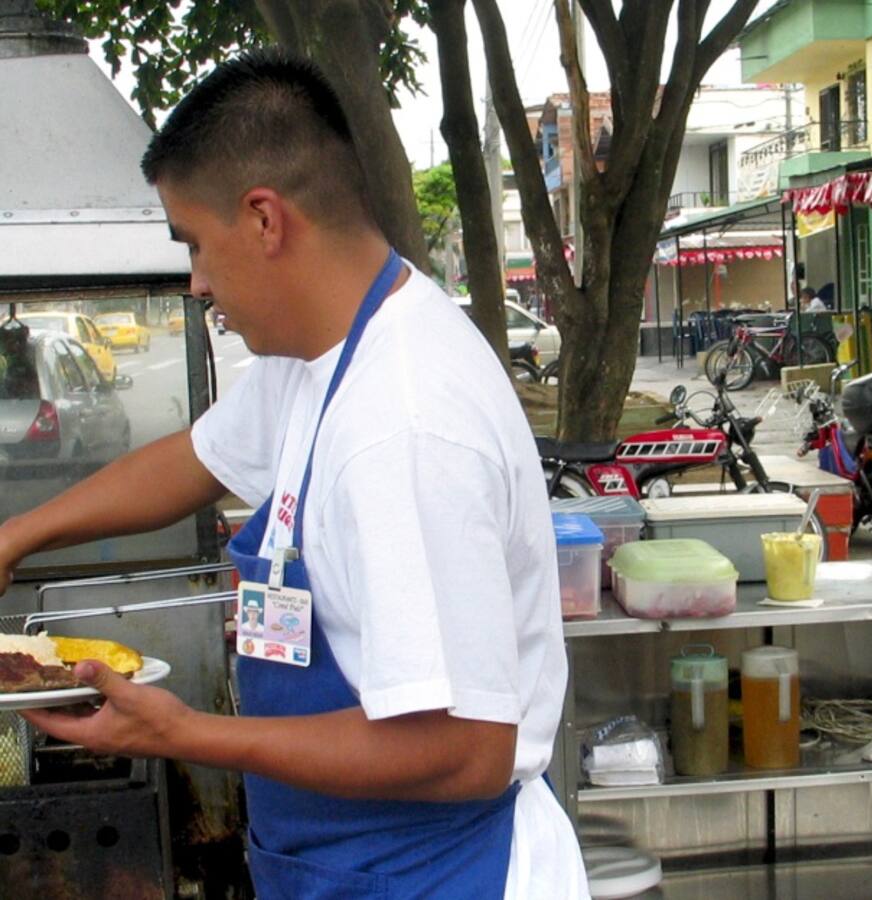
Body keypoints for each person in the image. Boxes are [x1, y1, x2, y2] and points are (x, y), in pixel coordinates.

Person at [0, 51, 587, 898]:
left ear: (265, 220)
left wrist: (186, 734)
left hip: (440, 871)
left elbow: (465, 747)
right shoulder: (324, 353)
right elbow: (194, 460)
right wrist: (20, 534)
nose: (198, 282)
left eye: (196, 244)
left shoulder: (404, 425)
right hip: (340, 861)